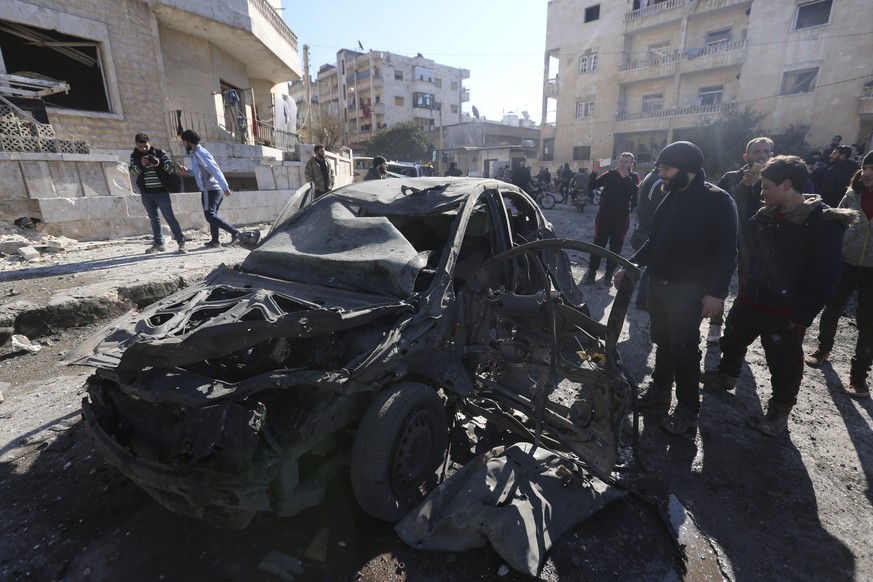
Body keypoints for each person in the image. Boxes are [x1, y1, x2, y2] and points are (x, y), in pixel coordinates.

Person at [703, 156, 853, 436]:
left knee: (783, 361)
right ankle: (726, 375)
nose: (763, 191)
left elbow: (827, 275)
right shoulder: (766, 214)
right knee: (732, 337)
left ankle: (779, 411)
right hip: (752, 296)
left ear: (786, 185)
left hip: (785, 309)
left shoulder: (822, 221)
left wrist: (803, 314)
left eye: (767, 185)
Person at [614, 141, 737, 435]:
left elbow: (727, 254)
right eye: (660, 169)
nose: (661, 174)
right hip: (659, 284)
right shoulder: (670, 197)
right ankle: (659, 392)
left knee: (683, 348)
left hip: (690, 290)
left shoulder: (718, 201)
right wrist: (631, 265)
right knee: (663, 340)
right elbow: (654, 242)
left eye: (666, 169)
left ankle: (687, 409)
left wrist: (716, 293)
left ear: (688, 170)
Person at [805, 151, 873, 399]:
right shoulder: (851, 195)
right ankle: (823, 349)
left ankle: (859, 375)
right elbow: (836, 225)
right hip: (845, 263)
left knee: (868, 322)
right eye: (865, 168)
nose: (866, 173)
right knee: (832, 308)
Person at [708, 137, 775, 342]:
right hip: (730, 239)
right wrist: (743, 186)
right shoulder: (731, 177)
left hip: (758, 244)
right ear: (747, 156)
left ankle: (738, 328)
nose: (761, 155)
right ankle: (715, 324)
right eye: (757, 151)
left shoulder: (776, 180)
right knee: (719, 283)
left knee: (749, 288)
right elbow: (718, 205)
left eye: (766, 151)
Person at [177, 129, 240, 249]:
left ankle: (235, 233)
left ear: (188, 142)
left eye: (183, 142)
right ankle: (215, 241)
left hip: (210, 190)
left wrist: (225, 186)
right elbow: (201, 171)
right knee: (213, 215)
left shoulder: (200, 153)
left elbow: (214, 169)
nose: (183, 145)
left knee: (210, 216)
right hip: (212, 189)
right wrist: (188, 171)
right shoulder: (196, 153)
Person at [128, 133, 187, 254]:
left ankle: (181, 243)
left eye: (146, 146)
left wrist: (159, 164)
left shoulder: (160, 153)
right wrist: (141, 164)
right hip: (146, 193)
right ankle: (159, 244)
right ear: (136, 145)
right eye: (141, 146)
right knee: (154, 219)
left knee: (170, 217)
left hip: (161, 192)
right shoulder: (134, 156)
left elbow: (172, 170)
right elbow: (133, 172)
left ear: (150, 143)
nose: (144, 149)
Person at [585, 153, 639, 284]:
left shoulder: (633, 177)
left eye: (626, 162)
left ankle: (609, 273)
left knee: (616, 247)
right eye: (621, 161)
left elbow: (636, 192)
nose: (622, 164)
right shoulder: (610, 174)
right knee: (598, 244)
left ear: (631, 164)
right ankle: (592, 271)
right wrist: (594, 172)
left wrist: (625, 177)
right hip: (604, 217)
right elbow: (591, 186)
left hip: (621, 219)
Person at [631, 168, 665, 309]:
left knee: (647, 263)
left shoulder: (648, 177)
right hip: (650, 227)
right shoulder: (657, 182)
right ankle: (643, 298)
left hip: (644, 224)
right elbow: (664, 208)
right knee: (652, 265)